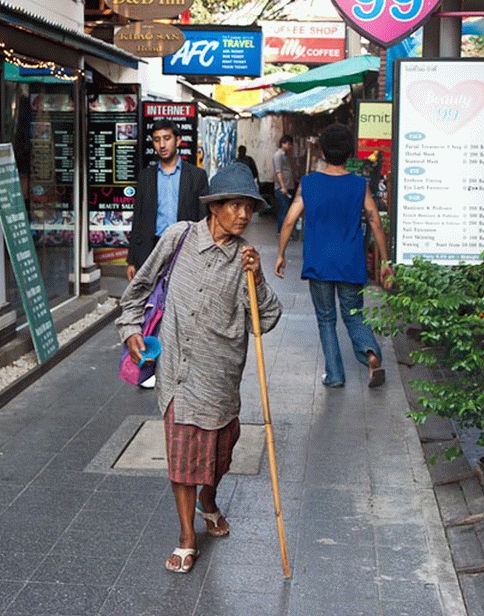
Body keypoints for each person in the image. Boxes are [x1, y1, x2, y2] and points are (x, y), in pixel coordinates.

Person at [117, 163, 282, 574]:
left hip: (220, 376)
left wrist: (257, 278)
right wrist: (130, 327)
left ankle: (210, 500)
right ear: (214, 207)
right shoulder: (179, 237)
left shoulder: (244, 260)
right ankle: (187, 536)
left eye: (248, 207)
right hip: (178, 374)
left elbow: (269, 318)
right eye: (234, 205)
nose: (243, 215)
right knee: (183, 457)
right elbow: (138, 289)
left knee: (219, 454)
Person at [275, 124, 393, 389]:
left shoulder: (309, 183)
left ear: (323, 152)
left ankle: (335, 375)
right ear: (349, 152)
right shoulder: (358, 185)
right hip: (350, 262)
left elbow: (289, 221)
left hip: (320, 263)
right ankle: (370, 354)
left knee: (326, 319)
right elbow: (374, 221)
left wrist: (281, 253)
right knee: (353, 314)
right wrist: (385, 261)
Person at [127, 119, 208, 282]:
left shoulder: (196, 176)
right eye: (157, 140)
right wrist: (132, 260)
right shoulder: (146, 177)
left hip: (184, 247)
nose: (162, 145)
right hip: (151, 248)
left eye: (167, 138)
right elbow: (138, 219)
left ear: (178, 140)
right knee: (151, 301)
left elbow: (204, 220)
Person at [272, 135, 295, 233]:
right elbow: (278, 172)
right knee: (284, 210)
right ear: (283, 143)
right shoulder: (278, 155)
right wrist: (283, 187)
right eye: (289, 144)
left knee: (284, 210)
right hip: (282, 188)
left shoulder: (285, 155)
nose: (290, 146)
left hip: (287, 186)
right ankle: (282, 231)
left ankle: (282, 231)